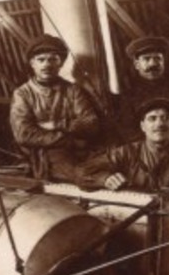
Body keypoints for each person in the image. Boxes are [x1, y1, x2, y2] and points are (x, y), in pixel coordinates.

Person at [8, 33, 102, 181]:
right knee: (87, 176)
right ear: (32, 63)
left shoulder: (73, 90)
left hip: (82, 149)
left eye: (53, 59)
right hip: (44, 154)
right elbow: (24, 134)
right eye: (41, 60)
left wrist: (57, 124)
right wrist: (69, 139)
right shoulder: (22, 94)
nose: (47, 65)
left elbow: (91, 123)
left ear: (61, 63)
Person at [78, 95, 169, 193]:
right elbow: (81, 173)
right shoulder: (126, 153)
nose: (159, 124)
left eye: (166, 118)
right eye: (152, 118)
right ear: (143, 126)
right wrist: (104, 179)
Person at [113, 34, 169, 139]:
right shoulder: (129, 95)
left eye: (157, 58)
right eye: (146, 59)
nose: (153, 64)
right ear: (137, 65)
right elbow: (127, 129)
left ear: (163, 62)